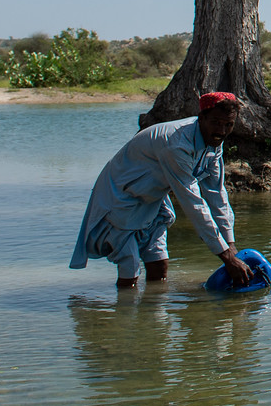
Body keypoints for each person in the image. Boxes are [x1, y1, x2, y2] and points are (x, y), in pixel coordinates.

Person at [70, 91, 256, 289]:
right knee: (130, 266)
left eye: (229, 124)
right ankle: (124, 314)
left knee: (159, 263)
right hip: (121, 197)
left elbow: (217, 195)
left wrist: (231, 244)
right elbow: (193, 203)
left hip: (153, 198)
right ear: (201, 118)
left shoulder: (214, 142)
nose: (222, 130)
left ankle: (153, 314)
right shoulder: (176, 144)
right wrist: (226, 256)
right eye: (217, 122)